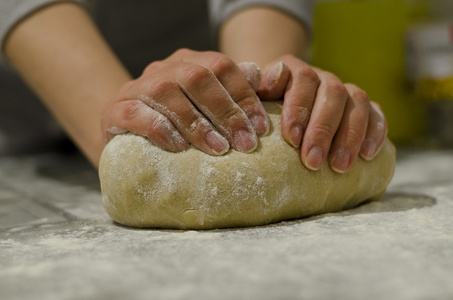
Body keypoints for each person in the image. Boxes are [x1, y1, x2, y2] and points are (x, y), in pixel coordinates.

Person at [0, 0, 387, 174]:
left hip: (203, 96)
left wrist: (262, 89)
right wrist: (122, 119)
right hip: (25, 123)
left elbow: (260, 88)